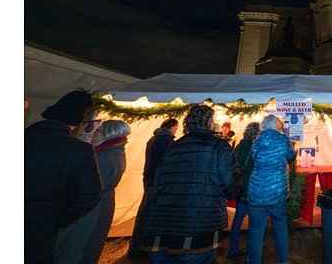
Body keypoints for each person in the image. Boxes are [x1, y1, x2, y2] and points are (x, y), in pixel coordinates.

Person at [140, 105, 241, 264]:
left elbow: (159, 181)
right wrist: (232, 192)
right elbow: (231, 183)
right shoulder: (218, 146)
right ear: (209, 122)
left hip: (164, 226)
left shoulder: (174, 146)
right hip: (198, 227)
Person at [25, 91, 103, 264]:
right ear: (78, 122)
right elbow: (90, 194)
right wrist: (61, 217)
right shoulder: (79, 150)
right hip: (42, 225)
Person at [54, 120, 131, 264]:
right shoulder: (112, 152)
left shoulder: (105, 157)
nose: (94, 134)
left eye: (98, 131)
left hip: (91, 209)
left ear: (107, 134)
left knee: (76, 245)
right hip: (97, 206)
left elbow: (86, 185)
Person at [247, 115, 296, 264]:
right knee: (280, 226)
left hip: (256, 191)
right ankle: (283, 261)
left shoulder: (257, 140)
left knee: (256, 231)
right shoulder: (283, 139)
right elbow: (291, 156)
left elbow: (253, 158)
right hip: (276, 192)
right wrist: (291, 143)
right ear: (276, 125)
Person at [128, 118, 179, 259]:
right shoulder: (166, 141)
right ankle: (140, 247)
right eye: (176, 127)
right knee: (149, 215)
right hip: (158, 181)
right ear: (172, 127)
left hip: (149, 178)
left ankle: (138, 245)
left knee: (144, 213)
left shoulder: (154, 139)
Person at [227, 122, 261, 259]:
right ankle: (249, 255)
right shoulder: (256, 147)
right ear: (257, 133)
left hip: (240, 188)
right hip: (253, 189)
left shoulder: (240, 145)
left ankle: (232, 249)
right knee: (254, 223)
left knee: (237, 221)